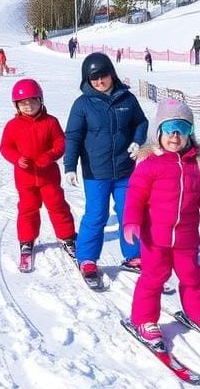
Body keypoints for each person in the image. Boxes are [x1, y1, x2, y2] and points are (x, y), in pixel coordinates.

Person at [123, 98, 200, 346]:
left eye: (182, 128)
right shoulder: (149, 164)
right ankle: (144, 319)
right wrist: (131, 222)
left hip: (186, 238)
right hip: (155, 238)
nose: (175, 135)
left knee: (193, 276)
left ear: (191, 133)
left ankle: (199, 312)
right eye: (169, 129)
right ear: (159, 133)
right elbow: (135, 196)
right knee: (153, 277)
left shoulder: (199, 165)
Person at [63, 52, 148, 283]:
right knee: (96, 215)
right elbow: (72, 136)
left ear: (112, 74)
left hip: (124, 171)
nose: (100, 82)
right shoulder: (82, 105)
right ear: (87, 80)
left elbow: (141, 122)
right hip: (96, 173)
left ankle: (133, 256)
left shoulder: (127, 99)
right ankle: (88, 258)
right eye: (94, 78)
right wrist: (70, 166)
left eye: (104, 76)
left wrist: (137, 141)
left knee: (129, 213)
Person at [0, 79, 78, 261]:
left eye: (32, 101)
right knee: (28, 209)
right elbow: (5, 147)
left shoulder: (50, 122)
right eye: (23, 103)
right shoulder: (12, 126)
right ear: (17, 105)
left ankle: (68, 237)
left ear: (40, 101)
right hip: (25, 178)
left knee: (57, 206)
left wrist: (49, 156)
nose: (28, 106)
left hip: (48, 176)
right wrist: (17, 159)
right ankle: (26, 240)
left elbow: (60, 143)